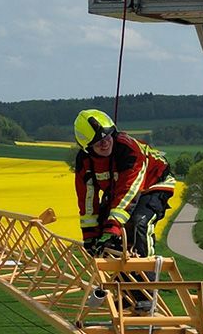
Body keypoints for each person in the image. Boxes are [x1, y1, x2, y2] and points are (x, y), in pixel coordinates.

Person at [73, 109, 177, 259]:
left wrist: (113, 228)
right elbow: (87, 200)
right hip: (121, 188)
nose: (105, 143)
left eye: (108, 136)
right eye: (98, 142)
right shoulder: (84, 162)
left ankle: (144, 275)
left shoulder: (128, 149)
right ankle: (122, 274)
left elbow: (129, 191)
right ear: (87, 148)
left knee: (138, 223)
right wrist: (90, 236)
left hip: (154, 183)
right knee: (105, 227)